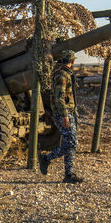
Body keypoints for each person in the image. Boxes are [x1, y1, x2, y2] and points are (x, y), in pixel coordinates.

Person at [39, 50, 83, 183]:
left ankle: (68, 174)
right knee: (71, 143)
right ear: (73, 61)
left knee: (70, 143)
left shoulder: (65, 74)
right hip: (63, 113)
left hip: (68, 112)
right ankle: (46, 159)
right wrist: (65, 115)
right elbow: (59, 98)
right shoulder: (62, 76)